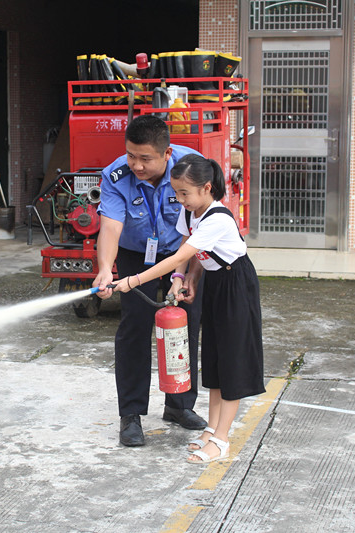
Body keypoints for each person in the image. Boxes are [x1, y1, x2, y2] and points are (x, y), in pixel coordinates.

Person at [111, 153, 265, 463]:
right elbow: (187, 255)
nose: (180, 200)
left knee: (232, 364)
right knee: (215, 361)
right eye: (176, 193)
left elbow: (176, 254)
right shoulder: (191, 213)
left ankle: (222, 440)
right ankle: (212, 429)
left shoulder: (218, 217)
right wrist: (183, 278)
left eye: (185, 193)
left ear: (207, 188)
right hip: (215, 284)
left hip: (236, 286)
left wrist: (132, 281)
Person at [93, 115, 207, 447]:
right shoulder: (117, 175)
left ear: (167, 153)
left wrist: (182, 275)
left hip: (182, 254)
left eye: (145, 158)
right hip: (135, 255)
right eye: (131, 155)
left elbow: (200, 228)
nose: (136, 165)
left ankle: (180, 406)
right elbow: (111, 226)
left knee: (186, 326)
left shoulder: (191, 169)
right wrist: (105, 269)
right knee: (134, 329)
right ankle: (130, 414)